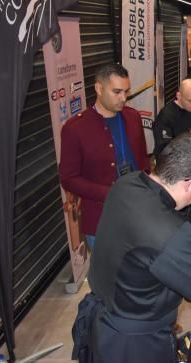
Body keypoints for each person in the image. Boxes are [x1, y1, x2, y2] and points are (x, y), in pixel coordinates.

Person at [72, 133, 191, 363]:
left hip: (107, 313)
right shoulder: (168, 235)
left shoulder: (129, 184)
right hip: (134, 344)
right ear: (189, 183)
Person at [60, 64, 149, 250]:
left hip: (138, 211)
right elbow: (68, 179)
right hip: (101, 220)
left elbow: (142, 159)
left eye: (126, 91)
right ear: (99, 88)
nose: (123, 98)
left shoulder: (133, 117)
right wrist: (108, 193)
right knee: (109, 277)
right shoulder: (75, 128)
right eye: (116, 92)